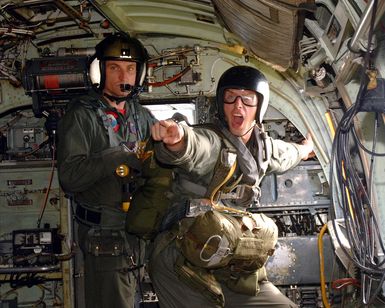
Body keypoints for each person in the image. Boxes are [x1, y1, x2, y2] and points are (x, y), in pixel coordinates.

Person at [149, 66, 314, 307]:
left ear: (259, 106)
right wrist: (178, 139)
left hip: (228, 259)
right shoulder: (213, 140)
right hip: (181, 259)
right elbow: (197, 147)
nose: (238, 106)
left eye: (247, 100)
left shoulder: (263, 147)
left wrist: (305, 149)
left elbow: (285, 153)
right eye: (230, 98)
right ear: (221, 104)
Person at [57, 32, 158, 308]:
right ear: (99, 71)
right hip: (105, 240)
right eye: (114, 68)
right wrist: (118, 155)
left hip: (139, 234)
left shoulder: (140, 115)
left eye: (130, 68)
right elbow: (70, 177)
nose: (123, 75)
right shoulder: (81, 116)